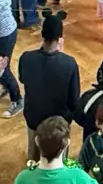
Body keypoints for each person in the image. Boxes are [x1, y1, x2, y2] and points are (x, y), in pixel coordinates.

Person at [15, 11, 80, 162]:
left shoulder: (26, 57)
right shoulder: (69, 63)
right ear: (60, 38)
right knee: (59, 158)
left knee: (33, 153)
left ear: (42, 35)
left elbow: (23, 79)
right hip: (58, 122)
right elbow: (74, 100)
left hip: (34, 118)